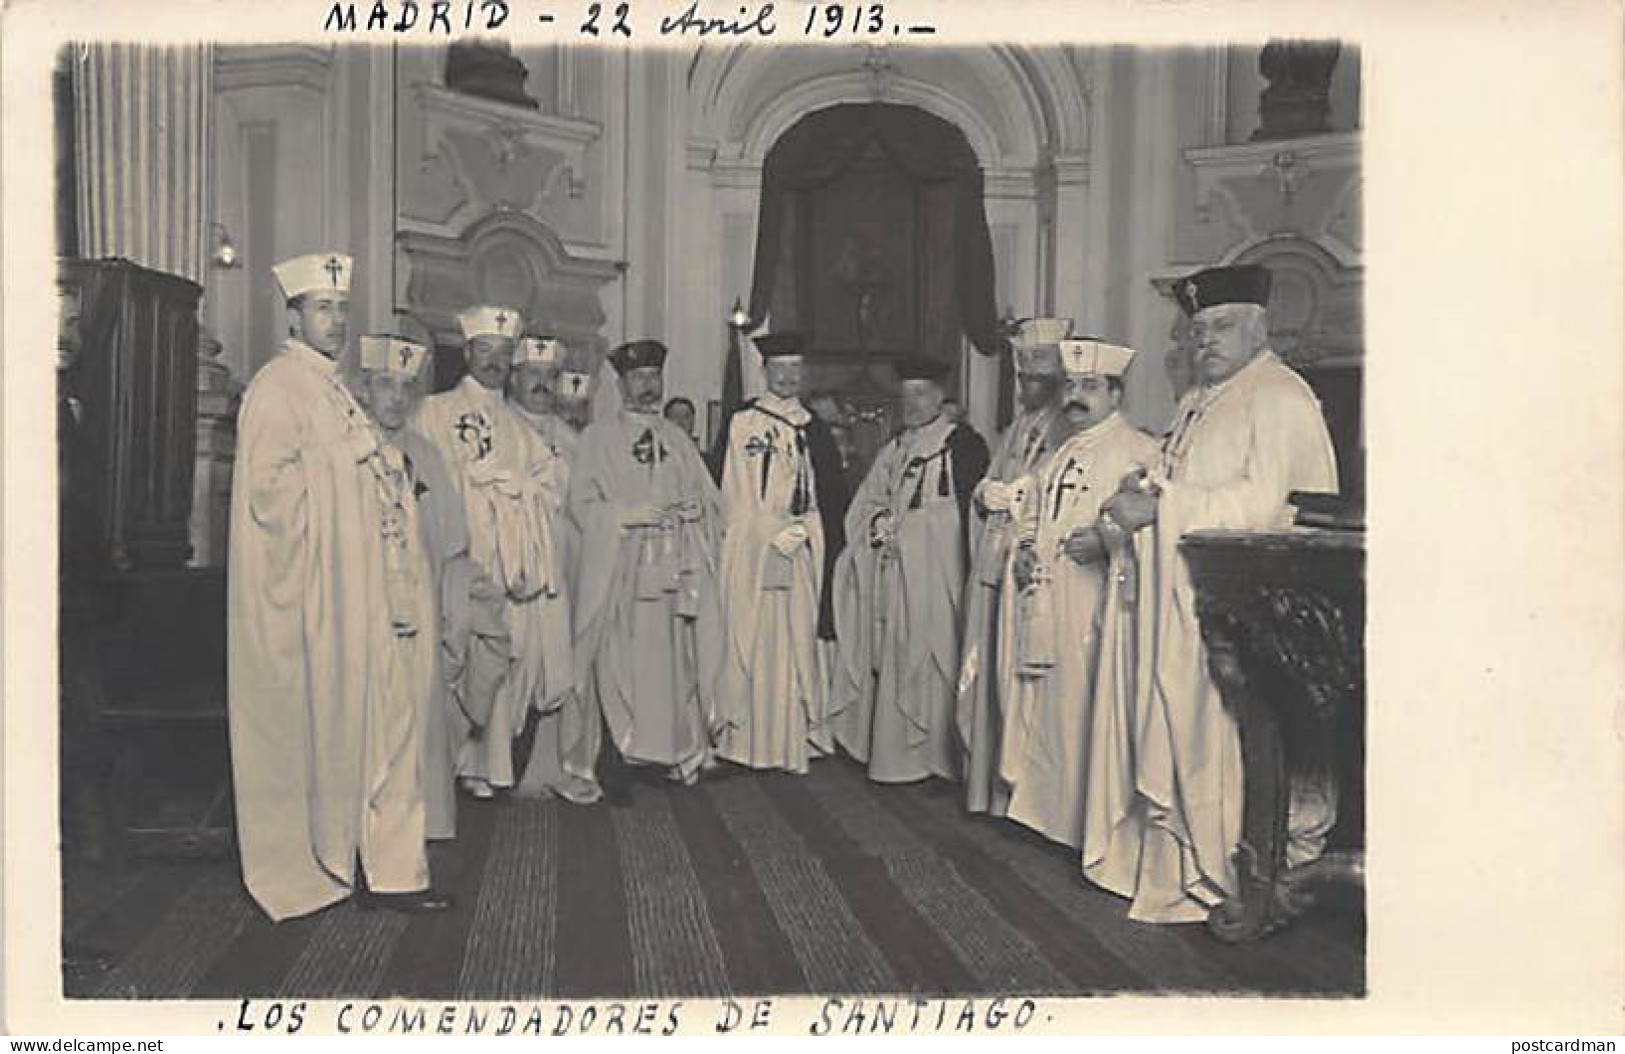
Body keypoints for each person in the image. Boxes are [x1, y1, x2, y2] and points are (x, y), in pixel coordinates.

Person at [1090, 264, 1339, 922]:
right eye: (1197, 330)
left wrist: (1164, 503)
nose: (1204, 343)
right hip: (1186, 591)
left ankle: (1237, 869)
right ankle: (1183, 865)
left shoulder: (1279, 398)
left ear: (1258, 328)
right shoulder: (1199, 399)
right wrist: (1144, 490)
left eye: (1220, 328)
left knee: (1223, 734)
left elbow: (1269, 506)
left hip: (1249, 606)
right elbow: (1177, 478)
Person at [227, 253, 450, 919]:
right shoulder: (277, 387)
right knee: (350, 729)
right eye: (322, 309)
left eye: (341, 310)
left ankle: (396, 872)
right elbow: (266, 498)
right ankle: (328, 867)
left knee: (393, 728)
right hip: (328, 598)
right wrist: (342, 478)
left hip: (377, 597)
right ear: (294, 313)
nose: (335, 322)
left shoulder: (337, 392)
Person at [414, 306, 593, 803]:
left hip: (514, 563)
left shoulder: (518, 425)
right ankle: (448, 767)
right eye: (485, 351)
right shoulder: (434, 411)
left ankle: (491, 767)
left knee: (505, 663)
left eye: (502, 353)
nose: (494, 361)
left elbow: (550, 489)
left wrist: (519, 498)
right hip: (463, 557)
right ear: (468, 351)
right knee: (460, 660)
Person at [996, 339, 1158, 848]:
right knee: (1044, 700)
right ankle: (1044, 813)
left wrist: (1105, 539)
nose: (1076, 397)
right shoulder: (1063, 450)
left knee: (1084, 703)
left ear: (1115, 392)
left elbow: (1150, 523)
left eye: (1090, 387)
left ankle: (1082, 824)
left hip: (1096, 597)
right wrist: (1023, 547)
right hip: (1045, 593)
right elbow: (1030, 507)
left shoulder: (1138, 450)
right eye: (1071, 386)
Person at [355, 333, 511, 841]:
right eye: (385, 384)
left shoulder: (426, 452)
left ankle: (417, 825)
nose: (397, 398)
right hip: (363, 611)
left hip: (420, 611)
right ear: (364, 389)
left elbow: (452, 542)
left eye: (406, 387)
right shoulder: (346, 451)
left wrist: (456, 610)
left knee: (420, 720)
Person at [569, 339, 726, 795]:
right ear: (621, 385)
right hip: (622, 571)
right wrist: (625, 513)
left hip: (674, 570)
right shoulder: (598, 438)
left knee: (673, 667)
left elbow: (712, 500)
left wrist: (699, 509)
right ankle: (619, 759)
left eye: (653, 377)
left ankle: (670, 755)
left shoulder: (678, 440)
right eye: (638, 378)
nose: (647, 386)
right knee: (621, 666)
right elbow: (580, 504)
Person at [831, 355, 990, 784]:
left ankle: (941, 761)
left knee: (940, 659)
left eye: (921, 395)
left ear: (940, 396)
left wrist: (916, 530)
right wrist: (879, 523)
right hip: (898, 575)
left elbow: (974, 514)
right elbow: (868, 502)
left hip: (943, 578)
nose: (914, 405)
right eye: (906, 397)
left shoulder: (962, 444)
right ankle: (900, 757)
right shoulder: (897, 447)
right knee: (898, 653)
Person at [711, 332, 846, 773]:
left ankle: (792, 740)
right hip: (752, 551)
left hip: (803, 552)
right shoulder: (742, 422)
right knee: (749, 635)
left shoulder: (815, 429)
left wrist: (807, 531)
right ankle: (741, 742)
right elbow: (729, 491)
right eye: (779, 369)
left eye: (795, 369)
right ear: (765, 372)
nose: (787, 377)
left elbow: (831, 499)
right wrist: (765, 533)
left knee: (795, 641)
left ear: (802, 373)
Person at [957, 318, 1070, 818]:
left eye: (1037, 380)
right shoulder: (1019, 426)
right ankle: (988, 788)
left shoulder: (1068, 427)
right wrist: (986, 493)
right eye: (1022, 379)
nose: (1027, 388)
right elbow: (994, 477)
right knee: (990, 668)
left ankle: (1023, 797)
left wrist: (1019, 502)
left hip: (1029, 566)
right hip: (995, 555)